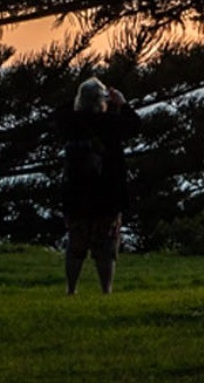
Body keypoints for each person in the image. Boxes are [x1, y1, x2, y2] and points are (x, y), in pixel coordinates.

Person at [59, 77, 139, 295]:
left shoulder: (71, 123)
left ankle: (71, 289)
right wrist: (121, 103)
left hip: (76, 194)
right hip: (107, 195)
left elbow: (60, 114)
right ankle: (106, 290)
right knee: (105, 248)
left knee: (76, 247)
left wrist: (78, 97)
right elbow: (135, 125)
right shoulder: (111, 123)